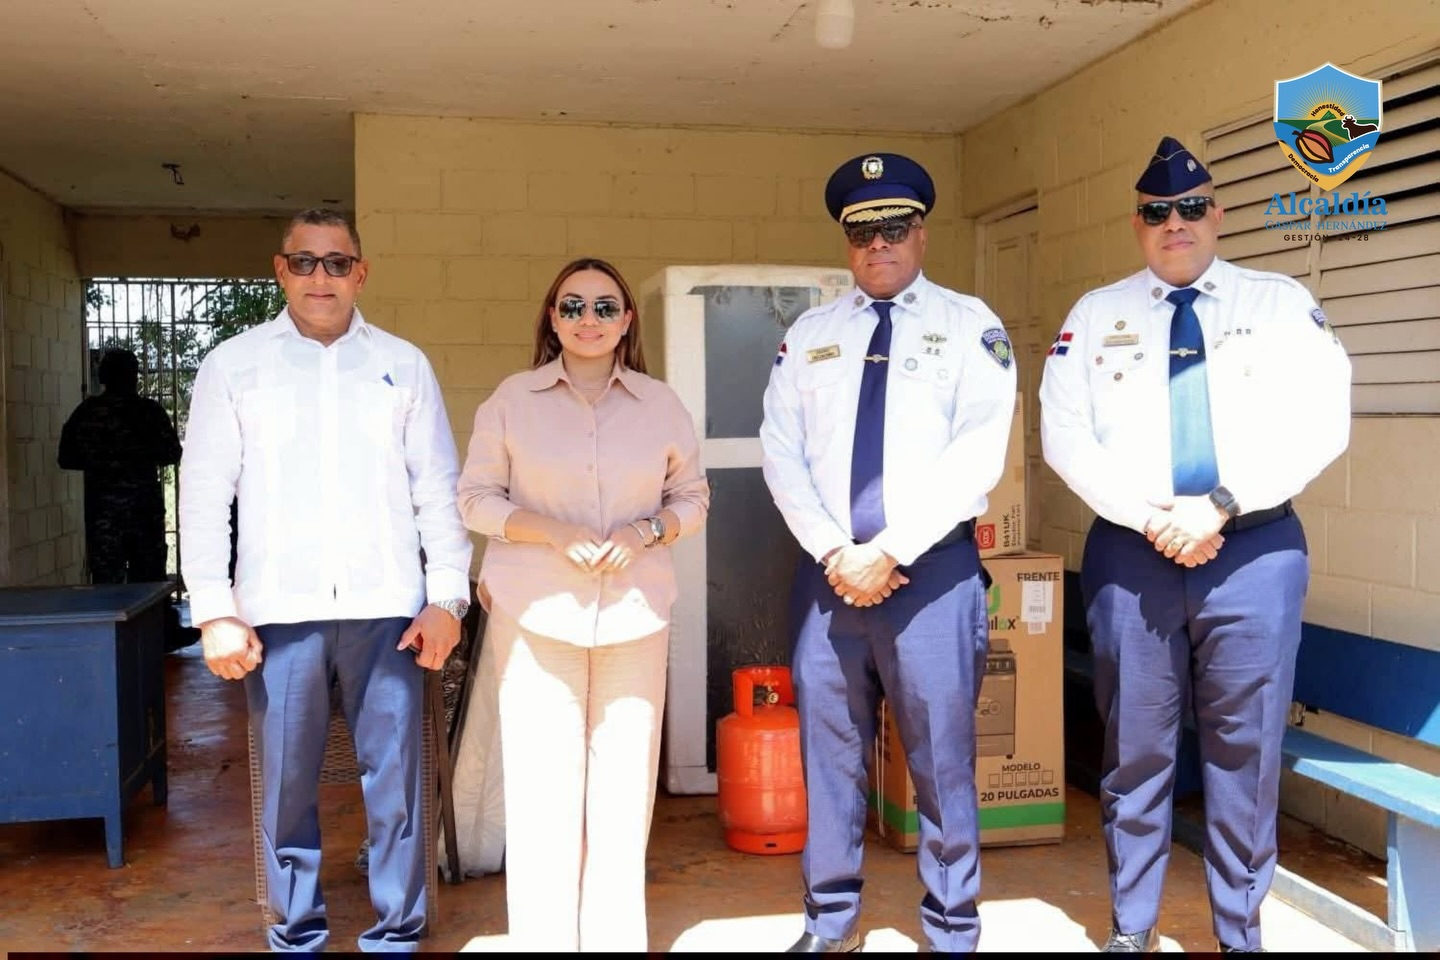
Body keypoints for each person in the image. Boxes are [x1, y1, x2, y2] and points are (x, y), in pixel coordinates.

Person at [1039, 137, 1351, 953]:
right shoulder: (1094, 316)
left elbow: (1323, 422)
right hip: (1132, 553)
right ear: (1137, 225)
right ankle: (1131, 927)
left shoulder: (1279, 303)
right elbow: (1065, 439)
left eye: (1188, 208)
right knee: (1134, 749)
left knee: (1244, 753)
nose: (1172, 223)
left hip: (1253, 550)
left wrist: (1217, 504)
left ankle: (1239, 930)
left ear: (1216, 213)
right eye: (1154, 212)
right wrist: (1152, 519)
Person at [178, 208, 474, 953]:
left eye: (337, 262)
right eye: (305, 262)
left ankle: (396, 937)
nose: (321, 277)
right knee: (285, 788)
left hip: (389, 613)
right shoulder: (234, 365)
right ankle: (297, 937)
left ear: (360, 273)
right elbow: (205, 492)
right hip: (280, 616)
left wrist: (446, 599)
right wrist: (214, 608)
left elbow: (436, 487)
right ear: (280, 271)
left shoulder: (402, 364)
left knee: (398, 788)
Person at [759, 153, 1017, 953]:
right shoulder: (810, 335)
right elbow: (780, 451)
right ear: (847, 242)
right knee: (829, 759)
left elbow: (978, 454)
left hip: (931, 573)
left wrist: (890, 549)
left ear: (921, 235)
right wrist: (840, 551)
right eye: (863, 231)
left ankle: (950, 927)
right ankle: (829, 922)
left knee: (942, 762)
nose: (879, 245)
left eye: (894, 228)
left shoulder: (970, 325)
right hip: (829, 573)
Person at [456, 257, 709, 953]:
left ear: (627, 320)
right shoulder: (512, 400)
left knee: (624, 798)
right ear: (551, 319)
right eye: (572, 307)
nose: (587, 320)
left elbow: (692, 497)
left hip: (634, 614)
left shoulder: (660, 404)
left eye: (603, 307)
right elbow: (475, 498)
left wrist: (646, 531)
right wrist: (554, 532)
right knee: (545, 796)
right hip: (536, 615)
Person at [58, 348, 182, 584]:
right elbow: (173, 452)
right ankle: (153, 623)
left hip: (104, 514)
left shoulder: (87, 413)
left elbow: (66, 457)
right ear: (134, 376)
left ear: (103, 377)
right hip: (144, 513)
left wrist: (100, 460)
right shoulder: (149, 412)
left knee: (107, 590)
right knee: (149, 586)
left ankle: (112, 623)